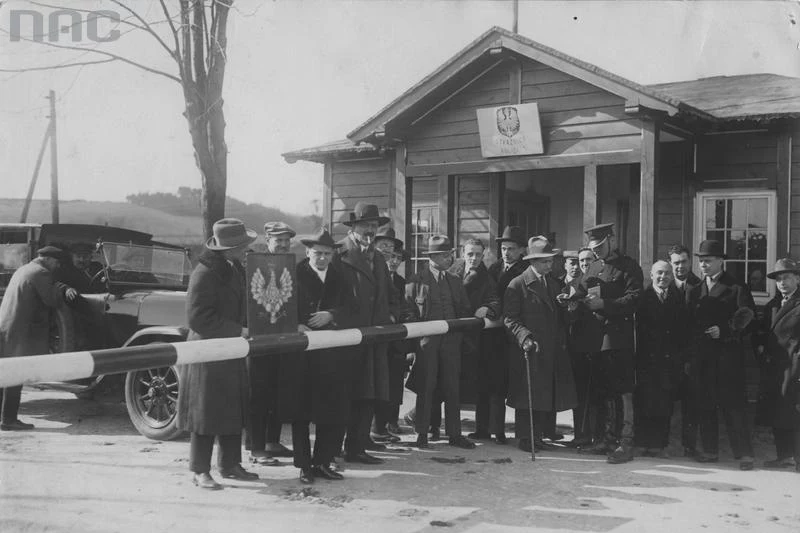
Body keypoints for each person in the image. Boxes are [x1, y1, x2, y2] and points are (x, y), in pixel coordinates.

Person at [176, 219, 259, 490]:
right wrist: (238, 330)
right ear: (229, 248)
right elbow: (198, 318)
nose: (247, 249)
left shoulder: (233, 267)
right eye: (243, 245)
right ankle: (199, 470)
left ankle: (230, 465)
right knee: (205, 414)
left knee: (232, 408)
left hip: (230, 349)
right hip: (207, 352)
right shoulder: (206, 272)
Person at [278, 228, 354, 484]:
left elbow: (353, 307)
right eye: (317, 253)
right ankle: (304, 466)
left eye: (326, 254)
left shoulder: (340, 276)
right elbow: (279, 306)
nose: (321, 258)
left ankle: (322, 461)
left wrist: (332, 314)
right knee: (302, 411)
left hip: (331, 352)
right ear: (307, 252)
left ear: (333, 254)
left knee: (330, 409)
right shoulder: (294, 274)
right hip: (302, 352)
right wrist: (296, 324)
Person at [572, 223, 643, 464]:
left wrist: (605, 305)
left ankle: (626, 442)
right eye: (594, 248)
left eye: (601, 246)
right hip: (596, 338)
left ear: (612, 240)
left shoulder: (629, 266)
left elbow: (634, 299)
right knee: (602, 390)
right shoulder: (592, 266)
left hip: (619, 338)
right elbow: (582, 292)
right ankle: (605, 439)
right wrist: (570, 298)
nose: (598, 251)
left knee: (622, 390)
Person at [687, 239, 756, 470]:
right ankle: (710, 451)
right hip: (703, 358)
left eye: (708, 261)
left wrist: (725, 330)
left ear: (720, 261)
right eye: (701, 261)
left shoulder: (737, 287)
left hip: (728, 358)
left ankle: (744, 454)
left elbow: (747, 316)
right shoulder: (695, 290)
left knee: (733, 406)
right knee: (706, 405)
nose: (703, 265)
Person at [504, 237, 577, 453]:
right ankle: (527, 438)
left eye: (551, 261)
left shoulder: (553, 284)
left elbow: (561, 316)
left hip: (551, 349)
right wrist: (524, 337)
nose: (550, 265)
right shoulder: (517, 284)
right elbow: (510, 319)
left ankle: (539, 435)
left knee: (544, 393)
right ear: (533, 261)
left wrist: (568, 308)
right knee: (528, 395)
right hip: (530, 349)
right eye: (545, 261)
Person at [336, 202, 393, 464]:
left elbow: (390, 295)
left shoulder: (379, 258)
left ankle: (357, 447)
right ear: (353, 227)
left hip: (374, 336)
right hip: (347, 338)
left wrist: (391, 315)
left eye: (374, 226)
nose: (370, 231)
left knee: (369, 393)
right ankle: (334, 449)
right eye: (365, 225)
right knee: (345, 394)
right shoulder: (339, 254)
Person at [404, 235, 474, 449]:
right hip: (427, 345)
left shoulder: (454, 280)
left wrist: (460, 336)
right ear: (432, 257)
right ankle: (422, 433)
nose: (449, 259)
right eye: (444, 255)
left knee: (452, 388)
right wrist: (417, 342)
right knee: (427, 387)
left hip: (451, 343)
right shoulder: (416, 281)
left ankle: (455, 434)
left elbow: (464, 309)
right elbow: (407, 313)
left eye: (450, 255)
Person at [0, 246, 74, 430]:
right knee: (15, 376)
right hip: (20, 333)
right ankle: (8, 420)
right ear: (48, 259)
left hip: (8, 329)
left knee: (5, 375)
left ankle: (4, 419)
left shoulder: (24, 269)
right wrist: (61, 287)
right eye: (56, 263)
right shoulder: (41, 273)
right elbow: (51, 300)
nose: (57, 266)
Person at [245, 221, 297, 464]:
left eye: (287, 241)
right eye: (279, 241)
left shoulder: (291, 267)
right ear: (268, 242)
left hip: (283, 339)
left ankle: (272, 441)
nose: (284, 245)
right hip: (259, 341)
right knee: (259, 394)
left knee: (279, 391)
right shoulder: (254, 266)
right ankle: (256, 448)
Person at [479, 226, 529, 443]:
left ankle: (502, 432)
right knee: (488, 381)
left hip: (513, 333)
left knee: (507, 384)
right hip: (491, 334)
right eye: (503, 248)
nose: (506, 253)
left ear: (522, 251)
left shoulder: (525, 271)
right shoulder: (493, 268)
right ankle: (484, 429)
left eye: (511, 248)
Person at [634, 260, 688, 457]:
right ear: (651, 275)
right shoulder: (642, 298)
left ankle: (658, 444)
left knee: (664, 403)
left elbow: (683, 330)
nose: (663, 277)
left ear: (671, 276)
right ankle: (642, 442)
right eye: (659, 273)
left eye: (666, 273)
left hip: (669, 361)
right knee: (645, 401)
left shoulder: (678, 297)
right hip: (646, 360)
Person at [449, 238, 501, 441]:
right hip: (451, 334)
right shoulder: (452, 272)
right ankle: (437, 428)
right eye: (470, 254)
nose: (474, 258)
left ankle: (482, 429)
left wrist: (488, 308)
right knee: (445, 382)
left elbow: (496, 300)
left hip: (474, 339)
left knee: (480, 385)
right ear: (463, 253)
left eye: (478, 254)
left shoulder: (486, 279)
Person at [753, 258, 800, 471]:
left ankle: (796, 458)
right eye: (779, 279)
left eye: (787, 278)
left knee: (793, 411)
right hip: (776, 367)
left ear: (797, 279)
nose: (782, 283)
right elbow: (765, 333)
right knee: (778, 411)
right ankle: (784, 457)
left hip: (794, 365)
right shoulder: (773, 304)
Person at [371, 227, 410, 443]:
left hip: (395, 341)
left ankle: (387, 423)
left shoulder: (402, 283)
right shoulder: (375, 274)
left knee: (393, 385)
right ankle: (376, 427)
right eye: (390, 255)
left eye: (397, 257)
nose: (393, 261)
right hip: (377, 336)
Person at [668, 243, 703, 458]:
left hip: (691, 354)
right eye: (676, 263)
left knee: (691, 402)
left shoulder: (700, 287)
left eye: (683, 262)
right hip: (667, 354)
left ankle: (690, 446)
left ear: (690, 262)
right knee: (665, 398)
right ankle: (662, 444)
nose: (680, 267)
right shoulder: (663, 283)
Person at [560, 250, 593, 448]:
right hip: (563, 346)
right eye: (572, 262)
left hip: (582, 346)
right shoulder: (558, 284)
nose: (576, 266)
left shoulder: (588, 285)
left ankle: (583, 434)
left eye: (579, 262)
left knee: (582, 392)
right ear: (565, 265)